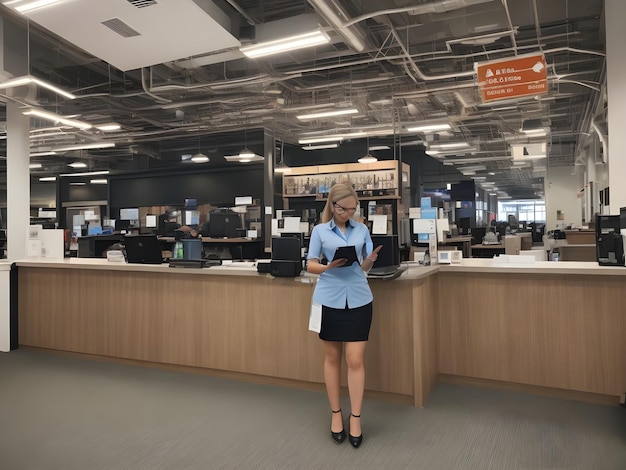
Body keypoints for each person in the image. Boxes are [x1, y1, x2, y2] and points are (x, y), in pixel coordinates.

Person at [306, 183, 382, 448]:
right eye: (343, 209)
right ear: (333, 205)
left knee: (355, 359)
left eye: (352, 209)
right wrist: (328, 266)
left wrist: (370, 259)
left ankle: (356, 417)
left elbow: (363, 266)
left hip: (360, 298)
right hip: (329, 299)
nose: (348, 213)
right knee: (332, 357)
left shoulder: (362, 230)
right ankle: (336, 413)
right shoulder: (319, 231)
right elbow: (310, 264)